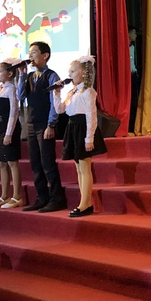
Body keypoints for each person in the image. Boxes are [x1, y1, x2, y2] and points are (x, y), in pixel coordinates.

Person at [52, 56, 107, 217]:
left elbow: (91, 115)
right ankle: (84, 202)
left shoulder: (88, 91)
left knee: (84, 167)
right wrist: (57, 93)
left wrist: (89, 138)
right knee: (78, 168)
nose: (69, 74)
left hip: (83, 128)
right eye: (69, 71)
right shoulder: (72, 92)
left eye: (73, 71)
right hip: (72, 127)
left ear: (83, 73)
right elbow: (60, 110)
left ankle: (85, 203)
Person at [18, 42, 67, 213]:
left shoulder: (51, 76)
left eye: (34, 52)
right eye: (29, 52)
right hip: (31, 124)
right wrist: (22, 75)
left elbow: (54, 103)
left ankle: (57, 199)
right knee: (35, 163)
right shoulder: (29, 76)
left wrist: (51, 124)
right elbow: (20, 96)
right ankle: (42, 197)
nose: (30, 56)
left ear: (45, 55)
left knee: (48, 163)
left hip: (45, 124)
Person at [0, 58, 24, 209]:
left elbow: (14, 112)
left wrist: (9, 133)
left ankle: (17, 196)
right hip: (0, 127)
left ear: (10, 73)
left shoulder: (11, 89)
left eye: (0, 71)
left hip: (10, 128)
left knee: (12, 161)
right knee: (2, 162)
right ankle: (4, 196)